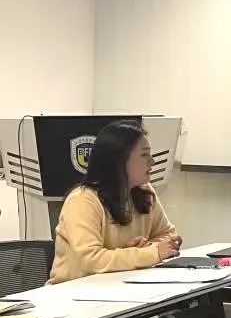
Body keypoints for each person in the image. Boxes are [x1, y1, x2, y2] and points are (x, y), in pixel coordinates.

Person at [48, 121, 181, 284]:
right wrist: (150, 253)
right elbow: (91, 260)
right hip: (72, 292)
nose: (152, 161)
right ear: (120, 160)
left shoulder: (145, 192)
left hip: (120, 286)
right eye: (144, 155)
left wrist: (149, 247)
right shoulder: (82, 200)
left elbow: (169, 235)